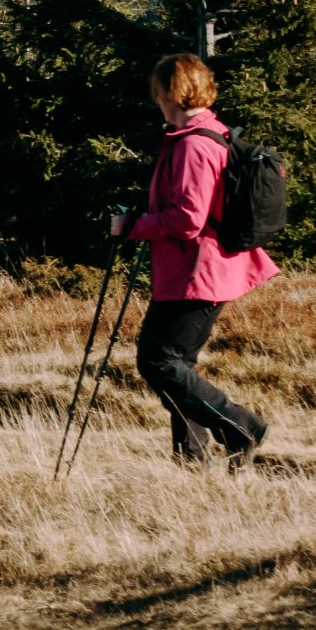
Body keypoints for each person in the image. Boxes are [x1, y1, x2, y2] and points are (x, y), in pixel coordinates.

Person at [111, 52, 278, 470]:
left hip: (196, 273)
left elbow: (188, 219)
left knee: (159, 361)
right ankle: (191, 460)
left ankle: (241, 427)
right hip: (198, 271)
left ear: (170, 92)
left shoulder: (193, 146)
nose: (156, 102)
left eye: (158, 93)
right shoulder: (210, 134)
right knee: (175, 363)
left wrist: (133, 225)